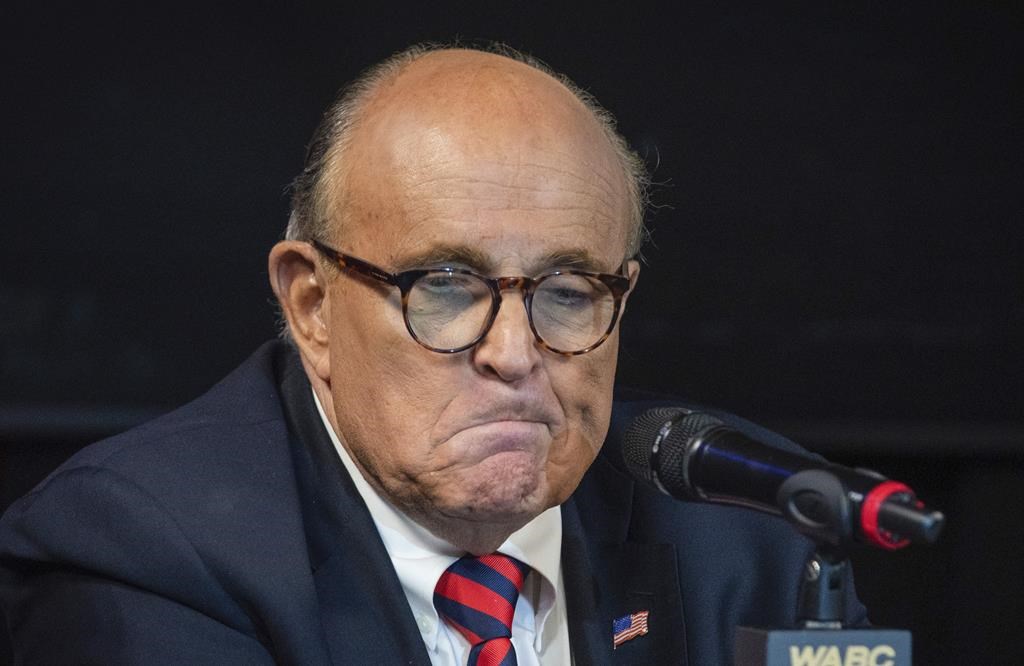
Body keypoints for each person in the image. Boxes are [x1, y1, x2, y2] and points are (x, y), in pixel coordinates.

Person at [0, 44, 865, 665]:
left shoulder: (754, 529)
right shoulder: (148, 551)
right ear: (312, 305)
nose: (516, 354)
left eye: (568, 291)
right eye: (446, 288)